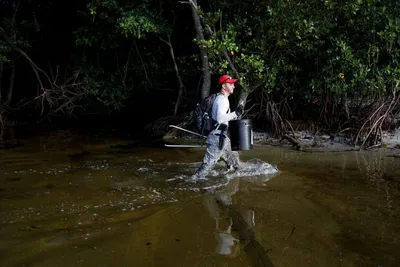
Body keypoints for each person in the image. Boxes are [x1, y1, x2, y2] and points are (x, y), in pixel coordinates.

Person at [194, 74, 244, 177]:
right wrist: (236, 114)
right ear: (224, 86)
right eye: (231, 84)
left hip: (222, 137)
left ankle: (234, 180)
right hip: (217, 138)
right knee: (206, 167)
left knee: (236, 164)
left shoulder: (221, 98)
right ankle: (191, 182)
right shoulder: (222, 100)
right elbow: (220, 118)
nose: (233, 86)